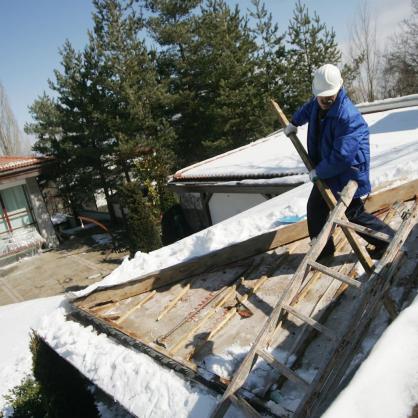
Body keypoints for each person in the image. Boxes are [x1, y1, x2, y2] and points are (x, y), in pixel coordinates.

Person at [283, 63, 394, 259]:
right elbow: (308, 109)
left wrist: (319, 172)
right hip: (328, 166)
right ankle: (323, 252)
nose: (325, 101)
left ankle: (388, 240)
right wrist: (294, 122)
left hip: (346, 171)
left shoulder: (347, 117)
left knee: (353, 214)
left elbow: (341, 157)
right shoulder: (317, 103)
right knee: (316, 209)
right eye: (322, 98)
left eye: (329, 98)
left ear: (339, 89)